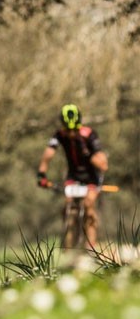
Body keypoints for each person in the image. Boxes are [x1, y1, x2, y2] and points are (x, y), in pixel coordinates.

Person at [37, 103, 108, 247]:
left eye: (74, 130)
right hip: (73, 176)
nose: (71, 134)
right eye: (68, 130)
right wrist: (41, 173)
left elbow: (103, 165)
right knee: (68, 204)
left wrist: (87, 153)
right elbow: (48, 153)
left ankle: (91, 248)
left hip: (91, 177)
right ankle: (68, 244)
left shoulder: (89, 135)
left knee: (89, 205)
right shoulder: (60, 134)